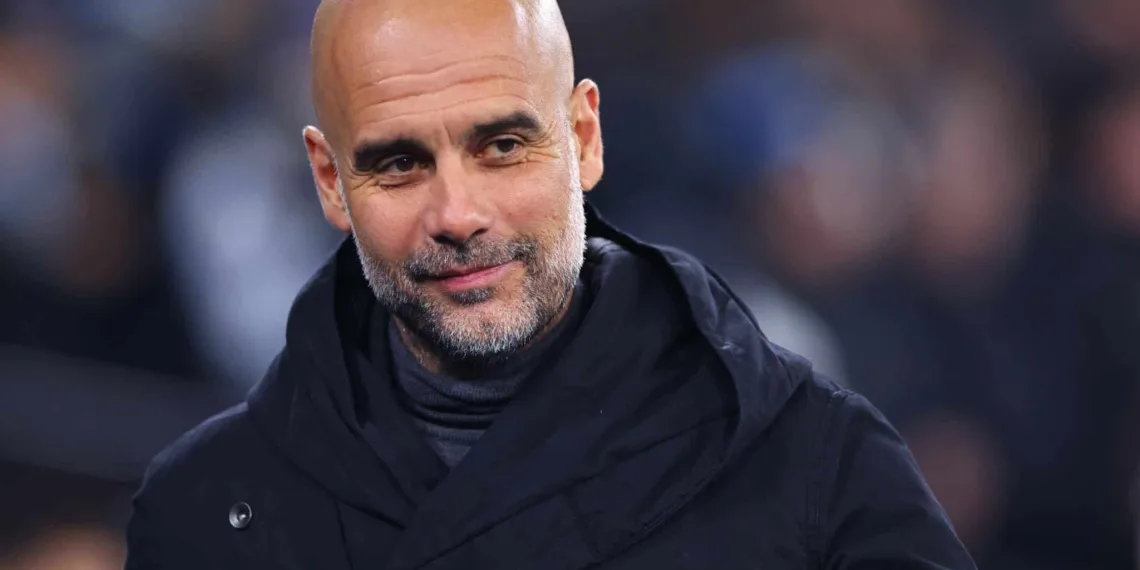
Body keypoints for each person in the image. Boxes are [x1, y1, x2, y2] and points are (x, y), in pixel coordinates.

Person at [123, 1, 975, 568]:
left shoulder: (810, 461)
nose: (457, 214)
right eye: (399, 164)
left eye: (502, 147)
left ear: (584, 137)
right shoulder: (207, 510)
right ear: (329, 181)